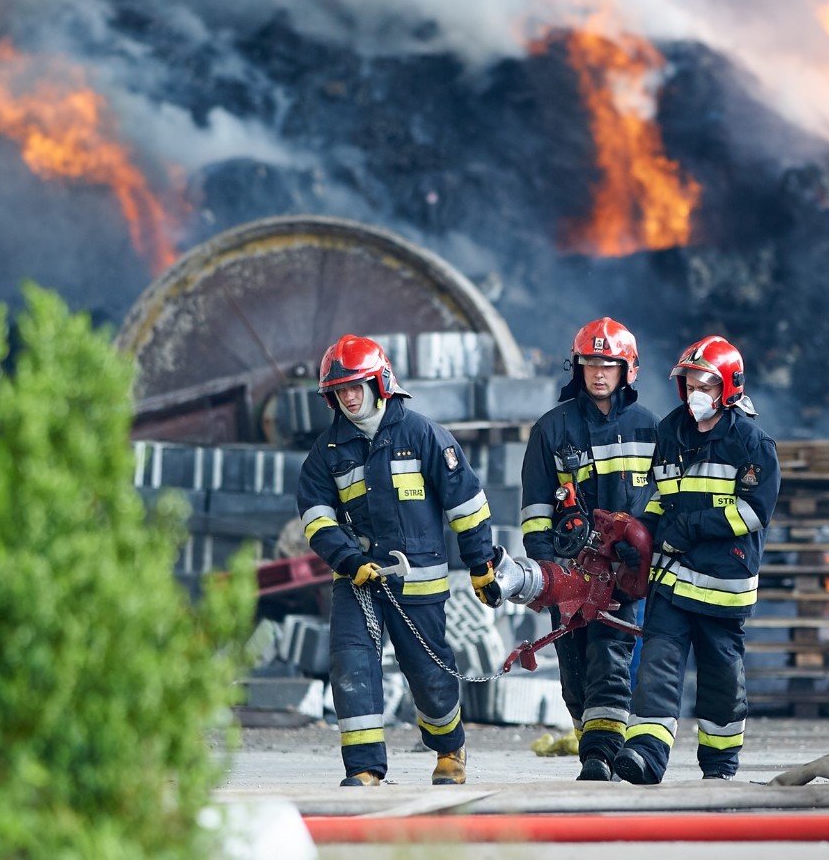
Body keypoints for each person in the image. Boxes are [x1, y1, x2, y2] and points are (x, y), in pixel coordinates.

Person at [297, 334, 499, 787]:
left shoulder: (423, 435)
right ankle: (365, 768)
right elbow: (315, 518)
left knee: (429, 674)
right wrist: (349, 560)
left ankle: (450, 750)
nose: (348, 397)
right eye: (339, 390)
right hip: (358, 580)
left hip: (419, 582)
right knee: (352, 668)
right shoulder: (327, 452)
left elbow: (466, 506)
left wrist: (481, 565)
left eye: (356, 386)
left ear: (380, 382)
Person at [612, 335, 780, 785]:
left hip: (723, 582)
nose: (695, 393)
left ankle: (719, 767)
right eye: (689, 382)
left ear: (728, 386)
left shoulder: (751, 443)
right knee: (657, 665)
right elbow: (657, 496)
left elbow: (753, 511)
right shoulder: (670, 431)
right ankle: (645, 756)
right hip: (671, 577)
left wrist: (693, 526)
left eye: (705, 383)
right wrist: (639, 535)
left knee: (721, 677)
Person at [517, 317, 659, 782]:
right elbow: (537, 511)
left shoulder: (650, 428)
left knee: (610, 657)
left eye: (609, 365)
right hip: (570, 570)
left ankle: (599, 754)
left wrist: (644, 552)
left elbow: (663, 501)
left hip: (622, 572)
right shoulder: (551, 429)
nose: (599, 373)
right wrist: (546, 571)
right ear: (577, 368)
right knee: (574, 666)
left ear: (627, 370)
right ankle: (592, 739)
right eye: (591, 364)